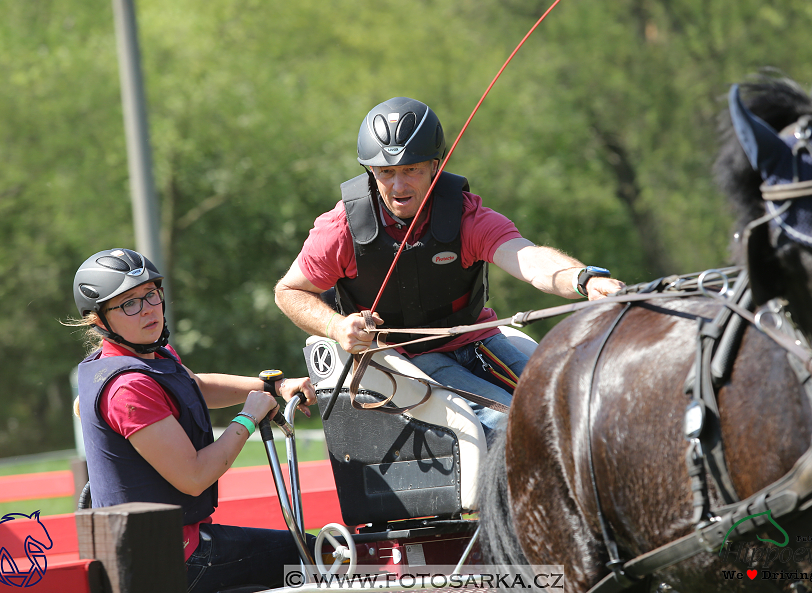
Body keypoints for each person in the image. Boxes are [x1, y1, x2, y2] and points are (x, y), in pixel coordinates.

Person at [274, 97, 624, 440]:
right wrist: (335, 326)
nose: (398, 185)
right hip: (401, 358)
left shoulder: (466, 216)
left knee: (578, 408)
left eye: (411, 169)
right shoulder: (341, 229)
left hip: (476, 340)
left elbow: (527, 258)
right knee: (513, 427)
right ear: (371, 171)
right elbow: (288, 291)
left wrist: (585, 279)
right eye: (386, 172)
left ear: (435, 166)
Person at [68, 248, 316, 593]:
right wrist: (248, 418)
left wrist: (273, 385)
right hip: (169, 561)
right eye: (129, 303)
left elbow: (194, 387)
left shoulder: (148, 353)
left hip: (174, 547)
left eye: (151, 294)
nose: (148, 309)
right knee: (321, 555)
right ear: (99, 319)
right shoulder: (129, 388)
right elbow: (195, 477)